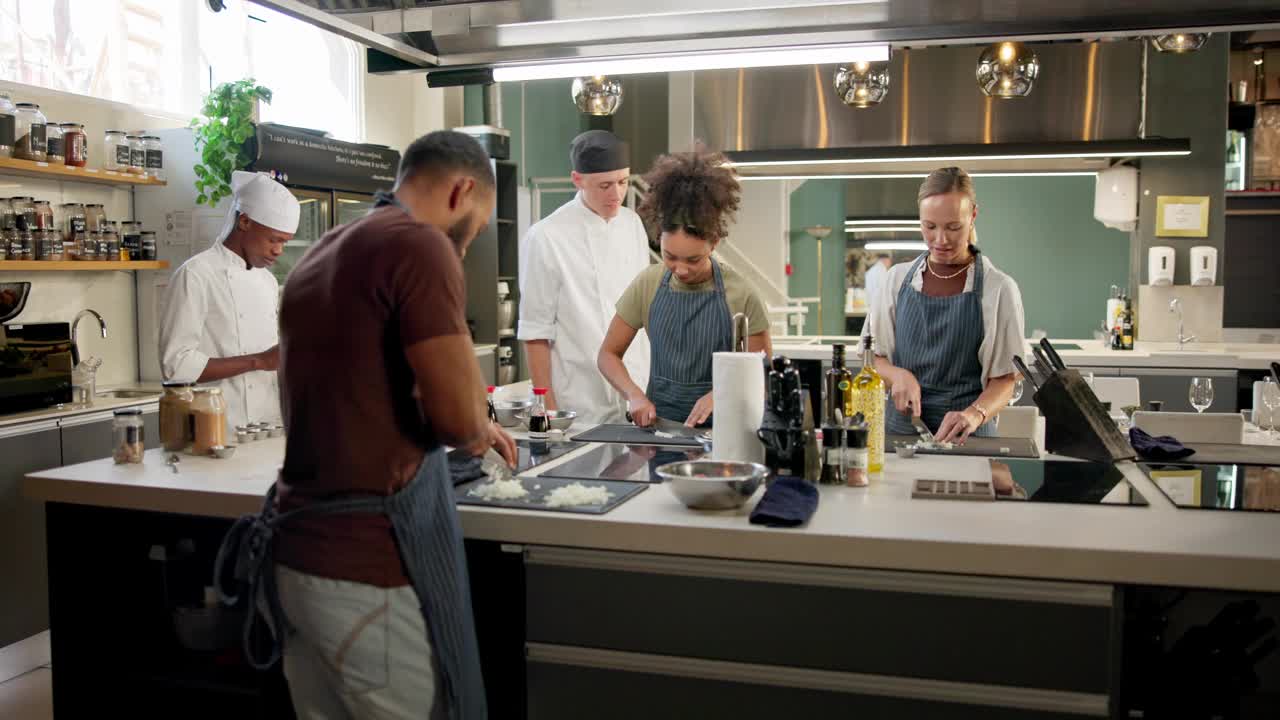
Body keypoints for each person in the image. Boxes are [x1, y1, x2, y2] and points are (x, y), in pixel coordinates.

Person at [228, 131, 516, 720]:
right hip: (367, 568)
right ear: (463, 190)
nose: (468, 244)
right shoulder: (420, 247)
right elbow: (460, 418)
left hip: (298, 559)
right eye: (478, 226)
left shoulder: (322, 251)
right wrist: (480, 428)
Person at [598, 152, 772, 428]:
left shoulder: (742, 293)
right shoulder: (648, 284)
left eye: (693, 260)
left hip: (723, 433)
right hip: (661, 433)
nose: (680, 269)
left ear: (713, 243)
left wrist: (720, 394)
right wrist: (634, 396)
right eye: (669, 256)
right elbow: (608, 354)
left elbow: (761, 374)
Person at [862, 167, 1026, 445]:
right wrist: (897, 375)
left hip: (969, 436)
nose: (940, 239)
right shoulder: (896, 280)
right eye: (930, 226)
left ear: (973, 215)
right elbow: (872, 358)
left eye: (953, 227)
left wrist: (974, 414)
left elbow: (1005, 380)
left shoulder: (998, 289)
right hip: (900, 434)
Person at [519, 129, 651, 424]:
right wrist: (548, 409)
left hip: (637, 395)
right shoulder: (546, 237)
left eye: (623, 182)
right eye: (604, 185)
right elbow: (535, 332)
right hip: (579, 403)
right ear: (577, 180)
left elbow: (643, 309)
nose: (616, 194)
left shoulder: (633, 225)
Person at [159, 170, 298, 432]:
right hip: (216, 431)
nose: (278, 250)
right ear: (244, 222)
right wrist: (258, 361)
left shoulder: (267, 282)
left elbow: (275, 360)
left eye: (285, 243)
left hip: (267, 428)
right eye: (273, 239)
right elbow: (176, 366)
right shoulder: (196, 275)